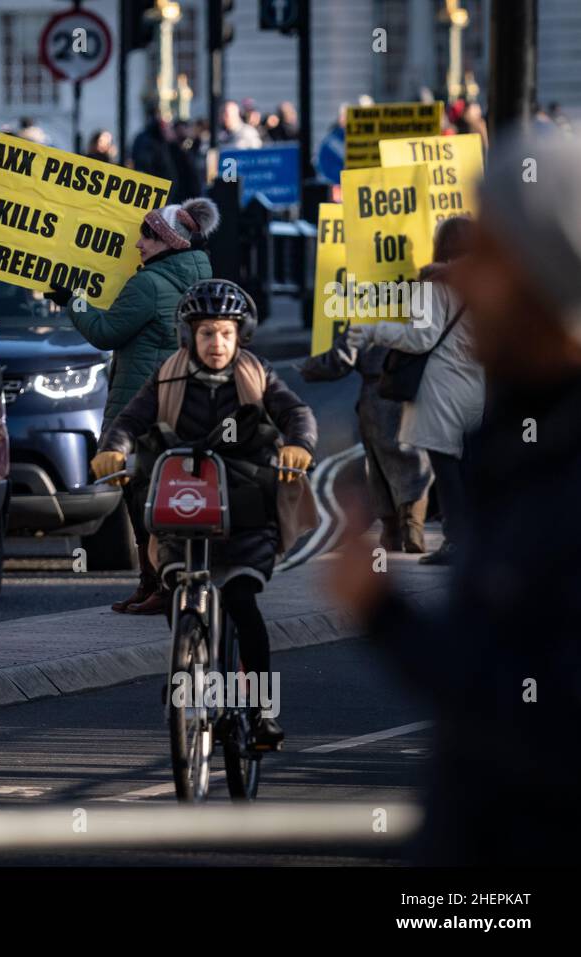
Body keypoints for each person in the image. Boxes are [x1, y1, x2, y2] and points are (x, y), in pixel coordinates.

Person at [329, 133, 581, 865]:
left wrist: (385, 616)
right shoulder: (527, 435)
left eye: (490, 260)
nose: (463, 284)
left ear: (551, 275)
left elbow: (542, 714)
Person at [93, 279, 318, 750]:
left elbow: (296, 413)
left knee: (241, 600)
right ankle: (189, 667)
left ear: (241, 336)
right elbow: (129, 422)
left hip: (245, 512)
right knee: (177, 590)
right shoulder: (167, 377)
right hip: (181, 505)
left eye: (225, 334)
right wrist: (113, 450)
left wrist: (299, 444)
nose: (216, 344)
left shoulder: (258, 375)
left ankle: (259, 713)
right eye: (206, 334)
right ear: (189, 336)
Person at [46, 197, 219, 614]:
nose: (138, 244)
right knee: (162, 492)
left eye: (146, 236)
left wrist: (73, 300)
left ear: (166, 241)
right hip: (181, 403)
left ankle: (159, 583)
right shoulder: (199, 277)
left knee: (140, 494)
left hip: (140, 403)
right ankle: (155, 581)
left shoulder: (148, 284)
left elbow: (106, 332)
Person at [348, 215, 483, 565]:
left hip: (442, 389)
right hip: (479, 387)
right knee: (470, 467)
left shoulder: (431, 285)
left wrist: (375, 330)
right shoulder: (483, 284)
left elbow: (420, 338)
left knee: (447, 468)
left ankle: (456, 542)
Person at [301, 329, 431, 553]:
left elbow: (341, 358)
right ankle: (413, 527)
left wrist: (308, 368)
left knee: (379, 466)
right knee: (416, 457)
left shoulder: (367, 312)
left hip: (377, 392)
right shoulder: (423, 306)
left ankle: (392, 531)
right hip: (418, 389)